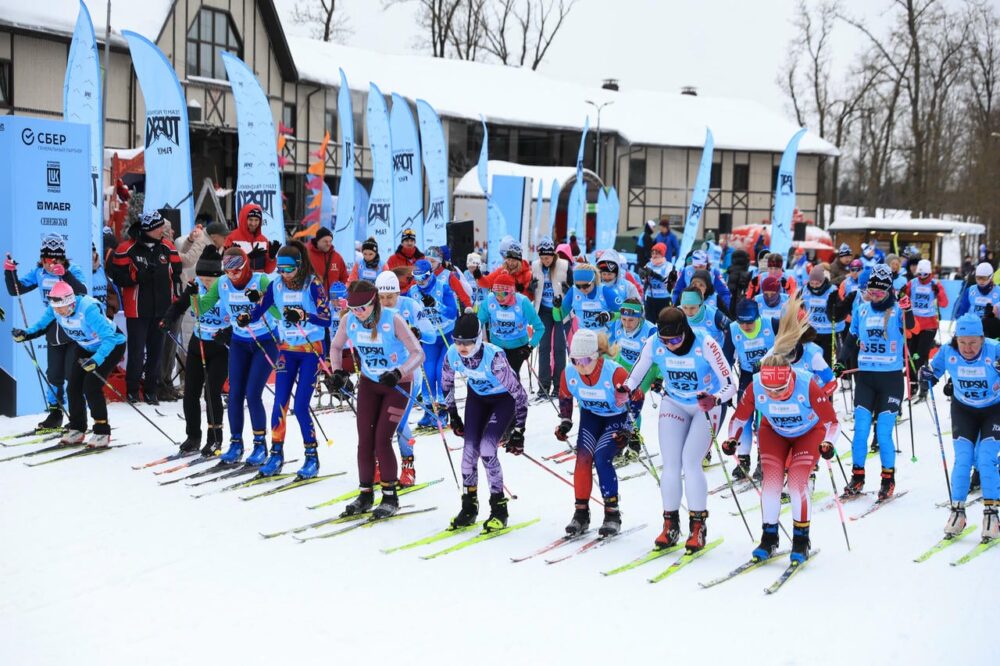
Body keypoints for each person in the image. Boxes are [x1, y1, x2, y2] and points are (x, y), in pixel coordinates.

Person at [723, 302, 839, 564]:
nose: (774, 394)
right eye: (770, 390)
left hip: (807, 433)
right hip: (774, 432)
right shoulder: (755, 385)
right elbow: (739, 418)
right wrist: (731, 439)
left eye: (780, 390)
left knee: (797, 483)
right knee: (772, 485)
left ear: (790, 377)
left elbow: (832, 423)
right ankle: (769, 537)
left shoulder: (806, 382)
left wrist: (828, 443)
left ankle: (801, 539)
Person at [624, 307, 736, 551]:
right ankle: (670, 524)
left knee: (690, 461)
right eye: (666, 341)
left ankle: (698, 526)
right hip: (674, 401)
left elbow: (731, 384)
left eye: (675, 340)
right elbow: (636, 373)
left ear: (685, 331)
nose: (670, 346)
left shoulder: (706, 343)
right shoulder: (654, 342)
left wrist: (715, 398)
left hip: (704, 405)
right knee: (671, 463)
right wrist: (626, 388)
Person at [328, 280, 425, 518]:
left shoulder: (392, 320)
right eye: (353, 308)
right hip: (370, 384)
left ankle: (390, 496)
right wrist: (338, 373)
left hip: (397, 385)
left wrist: (399, 372)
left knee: (383, 439)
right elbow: (335, 346)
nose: (357, 313)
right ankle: (365, 494)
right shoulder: (348, 320)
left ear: (374, 303)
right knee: (365, 440)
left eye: (362, 308)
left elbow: (418, 353)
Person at [241, 241, 331, 479]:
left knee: (300, 406)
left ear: (299, 267)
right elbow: (259, 309)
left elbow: (326, 318)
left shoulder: (313, 283)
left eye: (288, 270)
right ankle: (276, 454)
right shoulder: (276, 285)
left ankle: (312, 457)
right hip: (287, 350)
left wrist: (304, 315)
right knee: (280, 402)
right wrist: (245, 318)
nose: (284, 274)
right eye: (280, 269)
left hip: (311, 350)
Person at [12, 281, 126, 448]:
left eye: (61, 308)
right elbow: (41, 325)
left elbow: (109, 339)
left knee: (91, 386)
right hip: (85, 347)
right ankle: (77, 428)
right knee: (73, 387)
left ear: (71, 303)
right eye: (55, 308)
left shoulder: (88, 310)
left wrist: (96, 360)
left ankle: (102, 431)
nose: (58, 312)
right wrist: (25, 334)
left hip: (110, 346)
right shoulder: (56, 309)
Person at [196, 247, 280, 466]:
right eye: (229, 271)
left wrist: (262, 300)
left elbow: (278, 312)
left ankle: (260, 445)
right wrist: (192, 295)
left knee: (252, 394)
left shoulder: (261, 280)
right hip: (239, 342)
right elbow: (201, 309)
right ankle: (235, 443)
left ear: (246, 266)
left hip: (265, 341)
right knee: (234, 394)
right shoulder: (222, 283)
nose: (233, 275)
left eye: (237, 271)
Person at [921, 313, 1000, 542]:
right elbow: (933, 372)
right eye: (962, 342)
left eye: (973, 342)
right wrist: (926, 375)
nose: (967, 348)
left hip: (993, 409)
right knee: (963, 459)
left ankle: (992, 514)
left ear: (982, 339)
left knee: (986, 459)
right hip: (964, 409)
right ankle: (957, 512)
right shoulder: (948, 351)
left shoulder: (994, 350)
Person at [443, 314, 527, 530]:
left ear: (478, 339)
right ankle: (469, 507)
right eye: (458, 341)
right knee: (468, 454)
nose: (462, 347)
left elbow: (519, 394)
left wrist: (519, 430)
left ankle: (499, 509)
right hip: (477, 400)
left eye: (468, 342)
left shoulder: (494, 358)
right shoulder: (453, 354)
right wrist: (453, 414)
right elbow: (446, 383)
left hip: (502, 401)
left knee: (488, 450)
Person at [843, 264, 915, 499]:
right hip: (866, 379)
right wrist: (841, 360)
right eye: (870, 292)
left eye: (879, 293)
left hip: (891, 380)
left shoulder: (896, 310)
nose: (874, 296)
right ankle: (857, 476)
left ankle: (887, 478)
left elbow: (911, 328)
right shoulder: (862, 309)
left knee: (883, 432)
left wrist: (909, 310)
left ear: (889, 291)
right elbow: (851, 336)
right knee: (861, 430)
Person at [4, 234, 88, 429]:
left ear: (62, 258)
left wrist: (64, 273)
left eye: (55, 260)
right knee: (54, 375)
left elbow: (83, 291)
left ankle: (78, 418)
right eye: (46, 260)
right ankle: (55, 414)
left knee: (72, 375)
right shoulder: (39, 272)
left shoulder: (73, 269)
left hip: (73, 329)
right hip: (53, 328)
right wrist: (10, 273)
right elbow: (15, 290)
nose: (50, 265)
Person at [556, 329, 634, 537]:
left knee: (601, 458)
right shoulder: (569, 373)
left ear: (596, 356)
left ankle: (612, 514)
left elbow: (638, 398)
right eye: (575, 360)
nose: (580, 366)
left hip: (616, 419)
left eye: (585, 360)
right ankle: (581, 514)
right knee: (582, 459)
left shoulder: (615, 373)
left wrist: (628, 429)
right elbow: (565, 396)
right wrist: (565, 422)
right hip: (591, 417)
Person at [160, 246, 229, 455]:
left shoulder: (226, 288)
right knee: (190, 393)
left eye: (210, 279)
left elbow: (240, 315)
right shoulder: (195, 286)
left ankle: (215, 438)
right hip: (198, 345)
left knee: (212, 393)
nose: (206, 282)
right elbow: (179, 305)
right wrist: (167, 318)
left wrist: (228, 332)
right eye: (202, 277)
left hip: (220, 348)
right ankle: (193, 436)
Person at [108, 211, 182, 405]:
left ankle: (151, 390)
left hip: (162, 309)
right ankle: (132, 390)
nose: (163, 231)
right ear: (148, 228)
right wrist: (137, 277)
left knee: (156, 351)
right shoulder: (126, 248)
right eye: (159, 228)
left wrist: (176, 291)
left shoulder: (167, 247)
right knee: (137, 351)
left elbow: (176, 273)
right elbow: (117, 277)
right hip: (137, 309)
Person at [375, 269, 425, 486]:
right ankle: (379, 464)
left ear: (398, 293)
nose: (386, 302)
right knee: (377, 421)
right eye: (382, 297)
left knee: (398, 421)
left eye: (390, 296)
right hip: (380, 374)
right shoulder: (372, 310)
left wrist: (417, 332)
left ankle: (408, 465)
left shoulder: (409, 306)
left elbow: (431, 333)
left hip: (408, 374)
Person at [728, 298, 778, 480]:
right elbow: (726, 357)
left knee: (763, 419)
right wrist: (725, 387)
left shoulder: (772, 323)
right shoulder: (733, 329)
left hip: (771, 377)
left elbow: (788, 345)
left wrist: (766, 361)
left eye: (749, 322)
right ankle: (743, 460)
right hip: (747, 376)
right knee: (744, 417)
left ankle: (763, 461)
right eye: (742, 322)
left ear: (757, 316)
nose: (746, 326)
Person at [407, 258, 459, 428]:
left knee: (440, 372)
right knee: (427, 374)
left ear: (431, 274)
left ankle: (443, 411)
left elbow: (453, 313)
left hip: (447, 335)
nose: (421, 282)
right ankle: (429, 410)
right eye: (417, 278)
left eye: (424, 277)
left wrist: (437, 305)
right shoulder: (413, 291)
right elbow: (407, 313)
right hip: (429, 337)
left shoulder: (442, 286)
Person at [477, 272, 543, 377]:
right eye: (496, 293)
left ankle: (516, 393)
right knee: (497, 377)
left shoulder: (522, 302)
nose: (499, 297)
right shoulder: (490, 300)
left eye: (503, 294)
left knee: (511, 376)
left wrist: (530, 347)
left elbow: (540, 328)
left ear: (511, 292)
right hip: (496, 345)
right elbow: (478, 322)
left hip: (518, 346)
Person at [901, 258, 949, 399]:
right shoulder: (912, 283)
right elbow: (903, 300)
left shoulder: (935, 284)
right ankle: (913, 383)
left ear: (930, 273)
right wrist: (902, 294)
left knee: (921, 355)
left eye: (925, 275)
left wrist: (938, 292)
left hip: (929, 325)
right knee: (911, 355)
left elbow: (944, 303)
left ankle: (923, 386)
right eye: (919, 275)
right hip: (913, 325)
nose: (922, 278)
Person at [531, 237, 569, 399]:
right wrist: (530, 287)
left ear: (554, 255)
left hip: (560, 311)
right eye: (542, 257)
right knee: (544, 347)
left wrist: (566, 292)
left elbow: (574, 289)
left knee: (559, 348)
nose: (545, 261)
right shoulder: (535, 266)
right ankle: (544, 385)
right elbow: (532, 287)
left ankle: (559, 385)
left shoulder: (564, 266)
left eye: (548, 257)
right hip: (544, 311)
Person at [559, 263, 623, 336]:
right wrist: (556, 307)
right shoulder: (573, 291)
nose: (582, 289)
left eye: (586, 285)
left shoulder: (605, 292)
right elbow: (559, 317)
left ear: (594, 281)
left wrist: (610, 316)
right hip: (584, 336)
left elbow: (624, 313)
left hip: (604, 337)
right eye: (578, 286)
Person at [802, 265, 847, 367]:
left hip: (828, 332)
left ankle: (827, 381)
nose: (814, 286)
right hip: (812, 331)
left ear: (822, 281)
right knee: (812, 360)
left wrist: (838, 326)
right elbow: (800, 306)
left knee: (826, 362)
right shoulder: (805, 290)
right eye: (812, 283)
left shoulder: (832, 290)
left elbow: (840, 310)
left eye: (817, 283)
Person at [225, 204, 279, 273]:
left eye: (256, 220)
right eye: (250, 220)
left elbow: (268, 270)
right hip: (240, 282)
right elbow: (227, 265)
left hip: (258, 281)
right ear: (244, 219)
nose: (253, 223)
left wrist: (271, 259)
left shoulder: (263, 240)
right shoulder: (232, 238)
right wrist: (249, 257)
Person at [425, 246, 472, 310]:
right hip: (431, 314)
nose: (430, 264)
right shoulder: (424, 275)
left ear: (440, 261)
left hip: (448, 316)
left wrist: (469, 307)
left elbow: (463, 294)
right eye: (427, 261)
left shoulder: (449, 275)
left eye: (433, 261)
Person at [638, 242, 674, 324]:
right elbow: (644, 282)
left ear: (662, 254)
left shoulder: (668, 265)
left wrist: (652, 273)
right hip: (651, 299)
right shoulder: (648, 264)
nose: (654, 255)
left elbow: (665, 278)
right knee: (649, 323)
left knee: (665, 322)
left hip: (664, 299)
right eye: (653, 253)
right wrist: (642, 276)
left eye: (657, 253)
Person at [305, 226, 348, 292]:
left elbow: (344, 278)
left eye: (330, 241)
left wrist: (341, 293)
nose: (328, 244)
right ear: (317, 241)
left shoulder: (337, 257)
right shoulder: (307, 255)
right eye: (325, 241)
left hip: (334, 300)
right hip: (314, 299)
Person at [385, 227, 425, 292]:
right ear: (402, 243)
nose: (409, 243)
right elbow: (389, 278)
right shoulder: (392, 259)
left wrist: (407, 290)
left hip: (417, 293)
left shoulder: (422, 259)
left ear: (415, 242)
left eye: (411, 241)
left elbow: (423, 279)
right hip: (397, 293)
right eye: (406, 241)